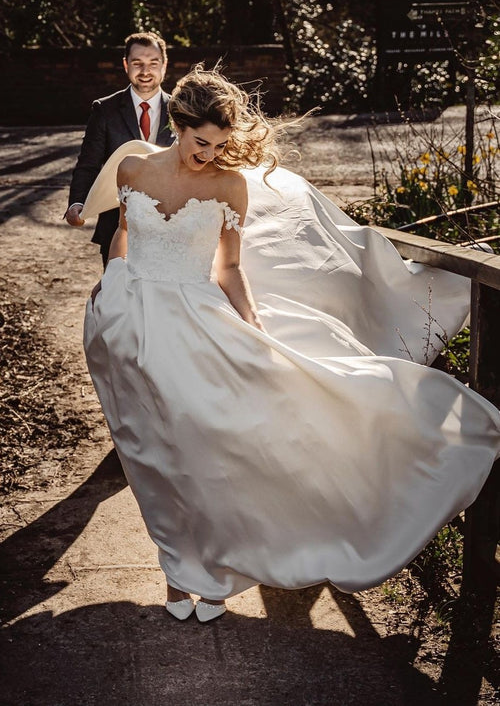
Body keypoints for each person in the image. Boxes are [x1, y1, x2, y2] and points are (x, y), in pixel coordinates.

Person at [83, 65, 499, 624]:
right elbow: (121, 236)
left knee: (207, 452)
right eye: (200, 142)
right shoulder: (133, 169)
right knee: (154, 454)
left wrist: (254, 329)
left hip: (196, 322)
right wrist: (111, 285)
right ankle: (179, 571)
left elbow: (228, 268)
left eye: (220, 145)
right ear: (177, 125)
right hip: (133, 324)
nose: (208, 154)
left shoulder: (229, 186)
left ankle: (215, 575)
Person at [65, 31, 176, 264]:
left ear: (164, 65)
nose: (145, 71)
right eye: (137, 63)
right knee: (118, 296)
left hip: (172, 226)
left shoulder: (182, 109)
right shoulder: (104, 110)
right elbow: (89, 164)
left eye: (153, 63)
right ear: (126, 65)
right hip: (116, 226)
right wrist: (77, 202)